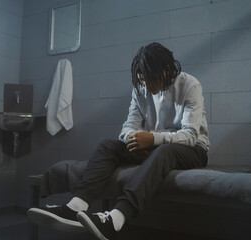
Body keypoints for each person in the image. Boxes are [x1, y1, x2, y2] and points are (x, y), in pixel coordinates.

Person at [27, 42, 210, 240]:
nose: (149, 86)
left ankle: (116, 218)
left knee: (165, 150)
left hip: (191, 150)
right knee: (109, 146)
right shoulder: (140, 88)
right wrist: (133, 139)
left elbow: (191, 136)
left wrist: (153, 139)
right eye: (144, 80)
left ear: (167, 70)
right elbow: (128, 126)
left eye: (153, 79)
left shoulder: (190, 85)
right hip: (153, 148)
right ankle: (76, 206)